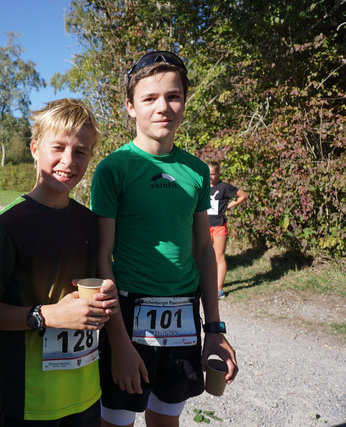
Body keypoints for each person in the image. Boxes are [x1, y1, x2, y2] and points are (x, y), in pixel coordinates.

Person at [90, 51, 239, 427]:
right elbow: (101, 257)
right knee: (117, 421)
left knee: (166, 418)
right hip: (127, 311)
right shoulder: (113, 170)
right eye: (149, 98)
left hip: (185, 312)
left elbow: (203, 250)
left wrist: (215, 329)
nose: (163, 107)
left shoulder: (196, 170)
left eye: (173, 96)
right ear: (129, 106)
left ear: (185, 101)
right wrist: (120, 343)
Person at [0, 98, 119, 426]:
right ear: (34, 149)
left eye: (81, 151)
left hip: (86, 392)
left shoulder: (90, 221)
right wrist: (50, 315)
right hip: (32, 400)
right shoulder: (8, 223)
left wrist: (109, 296)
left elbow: (100, 285)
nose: (69, 161)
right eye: (57, 147)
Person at [207, 161, 248, 299]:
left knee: (219, 257)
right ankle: (204, 286)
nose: (210, 177)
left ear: (218, 173)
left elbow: (243, 195)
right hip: (204, 226)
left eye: (213, 174)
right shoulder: (202, 186)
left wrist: (229, 206)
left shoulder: (224, 187)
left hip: (219, 225)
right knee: (204, 256)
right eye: (208, 174)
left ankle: (219, 290)